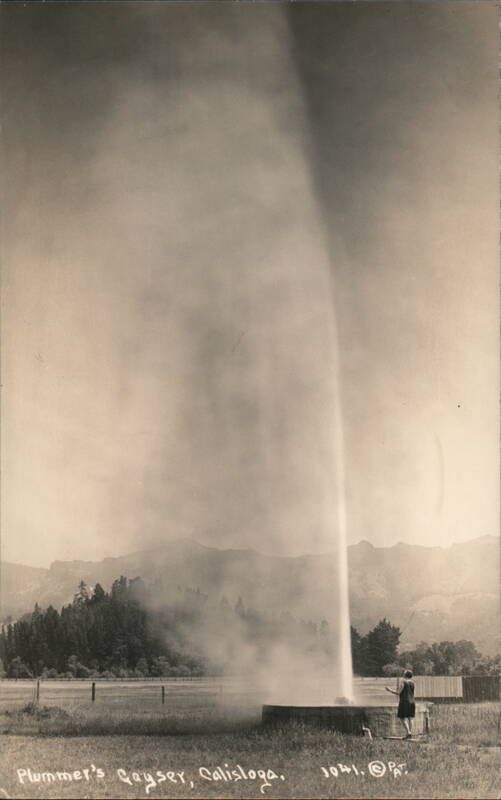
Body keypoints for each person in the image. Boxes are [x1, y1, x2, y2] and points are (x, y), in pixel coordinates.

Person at [385, 669, 415, 738]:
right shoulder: (413, 683)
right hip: (412, 701)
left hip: (404, 702)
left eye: (404, 673)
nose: (403, 674)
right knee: (410, 718)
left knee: (402, 718)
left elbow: (398, 692)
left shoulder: (403, 682)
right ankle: (410, 733)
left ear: (405, 675)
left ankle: (408, 732)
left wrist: (389, 690)